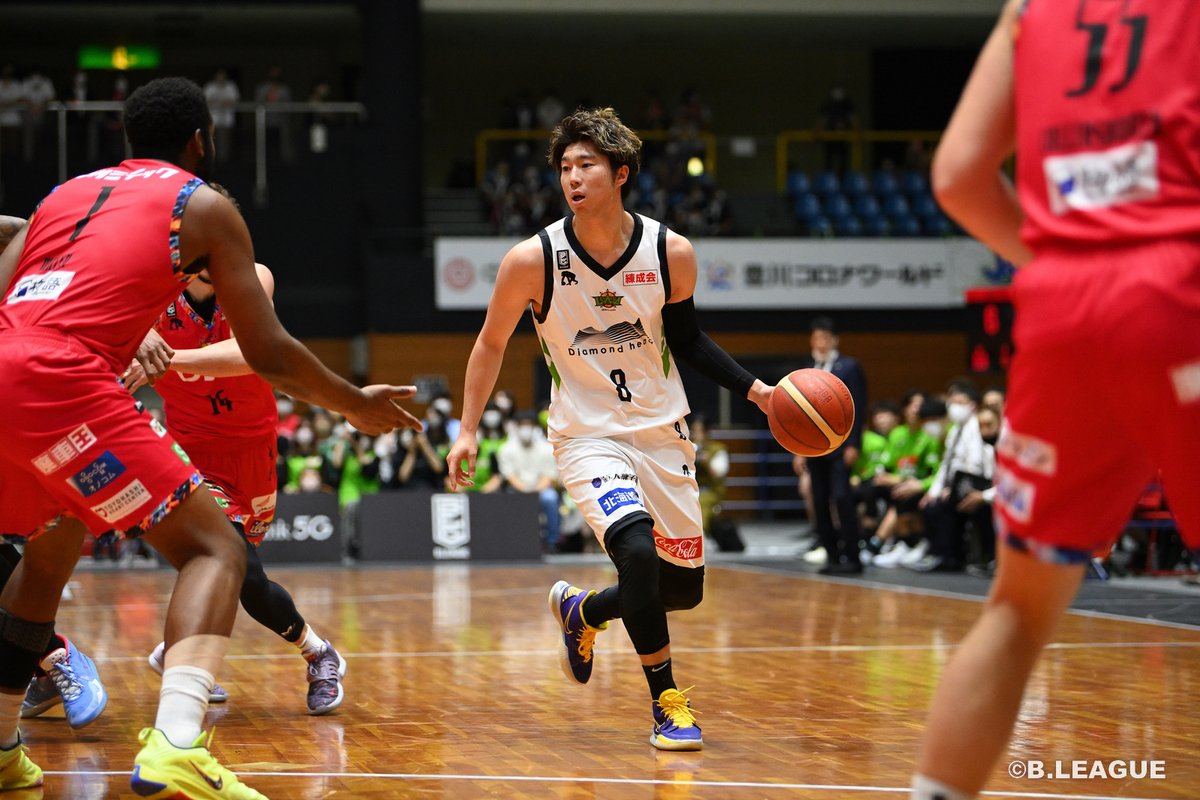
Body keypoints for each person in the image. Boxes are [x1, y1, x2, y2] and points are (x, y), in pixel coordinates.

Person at [0, 77, 419, 797]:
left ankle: (4, 753)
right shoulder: (200, 205)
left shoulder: (61, 197)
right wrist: (353, 403)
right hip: (66, 379)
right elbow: (270, 351)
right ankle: (177, 744)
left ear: (127, 139)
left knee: (47, 554)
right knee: (216, 548)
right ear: (203, 139)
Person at [913, 1, 1200, 798]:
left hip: (1062, 305)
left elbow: (958, 177)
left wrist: (1070, 262)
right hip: (1182, 282)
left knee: (1016, 613)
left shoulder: (1030, 8)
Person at [445, 107, 772, 751]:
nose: (572, 177)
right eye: (565, 167)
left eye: (586, 165)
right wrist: (467, 430)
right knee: (638, 555)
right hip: (586, 434)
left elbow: (689, 340)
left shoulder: (670, 252)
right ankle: (668, 703)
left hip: (661, 429)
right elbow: (489, 344)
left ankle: (585, 610)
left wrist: (756, 390)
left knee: (682, 589)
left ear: (620, 174)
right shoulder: (532, 259)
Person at [121, 184, 349, 716]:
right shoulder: (151, 292)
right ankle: (316, 653)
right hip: (186, 450)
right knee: (233, 565)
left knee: (234, 571)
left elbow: (250, 353)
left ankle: (186, 652)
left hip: (249, 449)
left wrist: (165, 357)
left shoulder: (253, 278)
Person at [0, 216, 109, 731]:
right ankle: (50, 662)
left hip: (33, 401)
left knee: (214, 552)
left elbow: (30, 227)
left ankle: (55, 658)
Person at [795, 317, 868, 575]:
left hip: (840, 445)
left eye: (825, 337)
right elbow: (800, 413)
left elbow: (858, 407)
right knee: (819, 501)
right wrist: (799, 449)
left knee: (842, 498)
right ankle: (832, 556)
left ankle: (853, 556)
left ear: (835, 340)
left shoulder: (849, 367)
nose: (820, 343)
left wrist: (854, 444)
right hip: (814, 448)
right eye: (816, 338)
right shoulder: (808, 369)